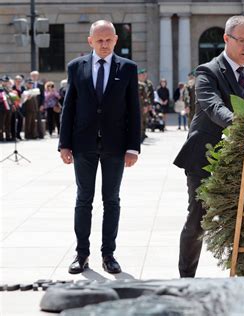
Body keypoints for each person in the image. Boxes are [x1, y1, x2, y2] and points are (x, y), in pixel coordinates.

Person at [173, 15, 244, 278]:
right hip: (205, 156)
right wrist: (240, 121)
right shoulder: (207, 71)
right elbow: (213, 106)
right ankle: (186, 279)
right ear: (226, 39)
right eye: (242, 41)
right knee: (199, 220)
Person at [58, 20, 141, 275]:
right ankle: (82, 254)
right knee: (83, 200)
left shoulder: (127, 68)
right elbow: (69, 107)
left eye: (108, 40)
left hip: (116, 147)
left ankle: (109, 254)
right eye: (99, 40)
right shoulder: (76, 67)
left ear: (116, 40)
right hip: (83, 145)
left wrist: (133, 147)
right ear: (90, 41)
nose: (104, 45)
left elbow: (133, 110)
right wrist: (64, 144)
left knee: (111, 200)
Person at [30, 70, 45, 139]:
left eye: (35, 76)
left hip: (38, 105)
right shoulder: (29, 84)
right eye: (33, 76)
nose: (34, 77)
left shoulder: (41, 85)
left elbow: (43, 96)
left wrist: (42, 105)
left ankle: (41, 135)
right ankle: (33, 135)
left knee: (39, 120)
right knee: (32, 120)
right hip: (31, 105)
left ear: (38, 76)